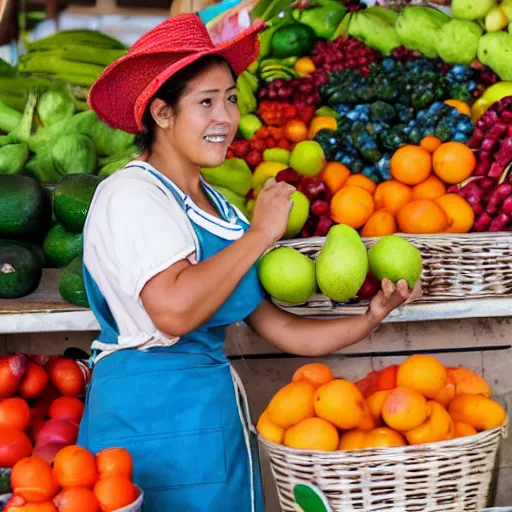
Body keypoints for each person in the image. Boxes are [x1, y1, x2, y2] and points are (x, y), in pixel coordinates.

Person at [78, 13, 422, 512]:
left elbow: (283, 331)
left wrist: (372, 315)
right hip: (148, 418)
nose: (226, 116)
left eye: (231, 99)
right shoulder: (130, 194)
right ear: (161, 113)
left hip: (211, 420)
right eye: (205, 102)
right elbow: (172, 311)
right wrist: (261, 233)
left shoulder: (221, 210)